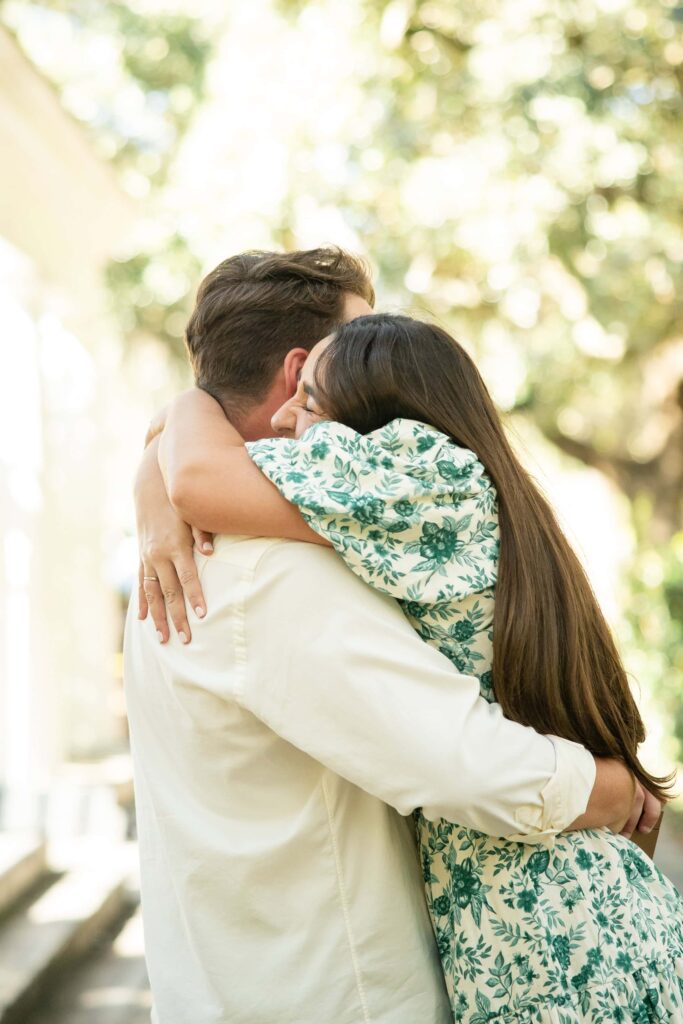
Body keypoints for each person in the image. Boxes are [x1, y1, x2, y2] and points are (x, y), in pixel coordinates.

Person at [127, 249, 654, 1024]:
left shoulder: (193, 545)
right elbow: (467, 767)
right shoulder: (267, 566)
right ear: (304, 367)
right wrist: (610, 791)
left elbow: (199, 472)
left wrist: (172, 430)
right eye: (362, 333)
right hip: (340, 995)